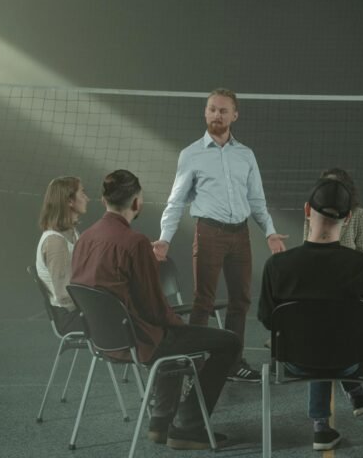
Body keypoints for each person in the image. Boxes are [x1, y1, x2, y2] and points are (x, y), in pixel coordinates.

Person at [71, 170, 241, 450]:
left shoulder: (85, 239)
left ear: (104, 200)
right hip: (139, 341)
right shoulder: (135, 242)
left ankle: (160, 423)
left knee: (173, 341)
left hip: (103, 341)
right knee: (228, 342)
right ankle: (188, 426)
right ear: (137, 203)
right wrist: (180, 323)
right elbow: (155, 310)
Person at [153, 88, 288, 382]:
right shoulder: (191, 155)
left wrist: (271, 232)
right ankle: (195, 364)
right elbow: (176, 201)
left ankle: (232, 363)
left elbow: (257, 200)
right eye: (212, 109)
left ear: (234, 116)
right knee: (203, 301)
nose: (217, 115)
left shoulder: (246, 155)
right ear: (205, 112)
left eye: (223, 110)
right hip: (209, 233)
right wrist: (165, 238)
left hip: (240, 236)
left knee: (240, 301)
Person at [258, 178, 363, 451]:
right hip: (349, 362)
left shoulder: (277, 266)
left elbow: (268, 318)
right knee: (332, 338)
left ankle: (320, 425)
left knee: (313, 339)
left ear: (307, 210)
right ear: (349, 218)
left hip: (294, 361)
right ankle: (339, 407)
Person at [35, 176, 89, 334]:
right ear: (69, 201)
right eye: (82, 193)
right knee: (126, 319)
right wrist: (96, 304)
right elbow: (64, 297)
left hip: (79, 311)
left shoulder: (72, 233)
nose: (87, 198)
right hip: (70, 317)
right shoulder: (55, 242)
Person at [302, 167, 363, 258]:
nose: (331, 188)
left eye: (335, 185)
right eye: (327, 184)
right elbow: (306, 246)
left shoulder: (361, 215)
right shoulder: (313, 212)